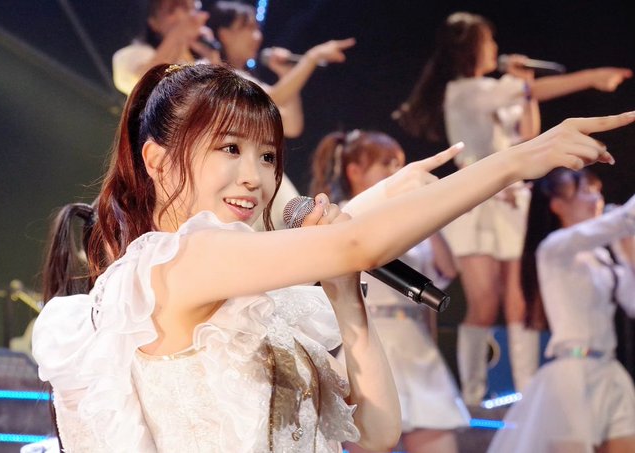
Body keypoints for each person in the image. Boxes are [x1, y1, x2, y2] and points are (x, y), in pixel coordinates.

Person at [31, 62, 633, 452]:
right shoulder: (178, 260)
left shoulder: (262, 298)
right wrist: (515, 160)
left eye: (268, 156)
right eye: (230, 149)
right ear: (158, 162)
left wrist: (347, 296)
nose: (255, 177)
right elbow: (354, 242)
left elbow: (378, 432)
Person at [393, 11, 633, 404]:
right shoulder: (464, 91)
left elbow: (527, 135)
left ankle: (526, 394)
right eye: (488, 41)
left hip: (511, 201)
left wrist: (526, 88)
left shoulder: (499, 90)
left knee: (519, 302)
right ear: (470, 47)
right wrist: (590, 77)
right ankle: (473, 395)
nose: (495, 48)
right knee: (484, 302)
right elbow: (531, 95)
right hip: (476, 202)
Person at [309, 129, 469, 453]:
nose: (397, 172)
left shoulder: (413, 220)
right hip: (369, 338)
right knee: (368, 436)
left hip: (416, 346)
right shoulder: (343, 216)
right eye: (386, 164)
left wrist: (426, 214)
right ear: (355, 171)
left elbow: (448, 270)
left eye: (399, 164)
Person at [487, 169, 635, 452]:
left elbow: (632, 302)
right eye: (586, 192)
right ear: (557, 205)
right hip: (571, 376)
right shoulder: (553, 249)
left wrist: (628, 253)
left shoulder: (602, 257)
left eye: (597, 191)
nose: (596, 199)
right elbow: (615, 223)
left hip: (609, 371)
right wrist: (622, 223)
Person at [206, 0, 355, 230]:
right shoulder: (214, 76)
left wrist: (286, 73)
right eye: (248, 28)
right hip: (236, 179)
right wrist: (312, 58)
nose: (257, 37)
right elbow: (272, 98)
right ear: (224, 34)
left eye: (257, 29)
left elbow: (292, 125)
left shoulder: (248, 80)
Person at [112, 0, 220, 96]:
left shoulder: (202, 61)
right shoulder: (130, 55)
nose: (182, 16)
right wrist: (179, 34)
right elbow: (145, 85)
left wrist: (213, 59)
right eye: (171, 10)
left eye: (190, 8)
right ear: (153, 22)